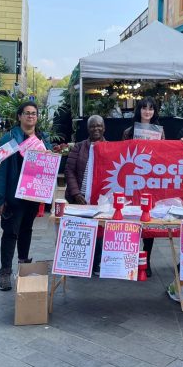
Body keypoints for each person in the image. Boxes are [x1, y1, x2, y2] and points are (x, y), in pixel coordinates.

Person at [0, 101, 51, 291]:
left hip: (32, 195)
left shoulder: (42, 139)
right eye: (27, 113)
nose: (31, 116)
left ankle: (24, 264)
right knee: (10, 232)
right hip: (13, 196)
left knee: (26, 230)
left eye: (34, 113)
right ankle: (5, 271)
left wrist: (48, 155)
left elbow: (48, 167)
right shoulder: (10, 138)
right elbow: (0, 169)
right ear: (19, 116)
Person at [122, 96, 164, 276]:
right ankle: (129, 260)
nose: (147, 111)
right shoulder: (129, 131)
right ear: (138, 110)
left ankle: (146, 261)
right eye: (144, 108)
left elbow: (164, 154)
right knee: (132, 220)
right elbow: (121, 154)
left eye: (151, 108)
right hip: (132, 181)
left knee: (149, 222)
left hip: (151, 181)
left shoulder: (160, 132)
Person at [64, 115, 106, 273]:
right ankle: (77, 265)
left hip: (99, 200)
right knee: (79, 232)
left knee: (99, 233)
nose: (96, 129)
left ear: (104, 128)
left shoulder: (110, 147)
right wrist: (76, 193)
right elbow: (69, 171)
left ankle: (96, 265)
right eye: (92, 126)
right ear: (88, 129)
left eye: (99, 126)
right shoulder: (79, 147)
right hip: (79, 198)